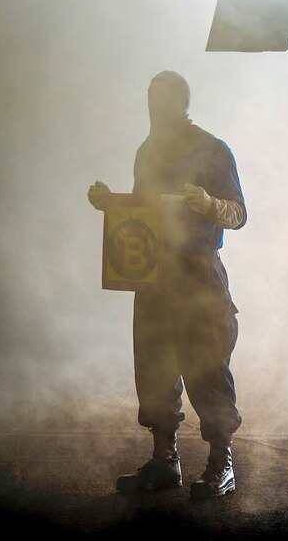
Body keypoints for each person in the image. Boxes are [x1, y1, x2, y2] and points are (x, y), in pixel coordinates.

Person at [87, 71, 247, 499]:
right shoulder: (147, 153)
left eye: (163, 102)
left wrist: (209, 203)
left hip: (198, 276)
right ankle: (165, 460)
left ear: (182, 104)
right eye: (150, 102)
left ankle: (220, 464)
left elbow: (237, 212)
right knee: (155, 368)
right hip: (155, 276)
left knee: (208, 369)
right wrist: (112, 203)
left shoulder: (214, 150)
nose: (155, 111)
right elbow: (143, 212)